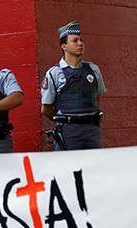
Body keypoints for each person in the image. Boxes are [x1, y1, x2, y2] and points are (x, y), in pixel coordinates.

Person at [41, 21, 107, 150]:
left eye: (81, 40)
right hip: (68, 130)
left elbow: (96, 98)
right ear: (64, 46)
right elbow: (46, 108)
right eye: (75, 40)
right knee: (67, 167)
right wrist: (68, 120)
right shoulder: (54, 73)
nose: (80, 43)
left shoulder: (93, 70)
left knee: (96, 166)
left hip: (92, 129)